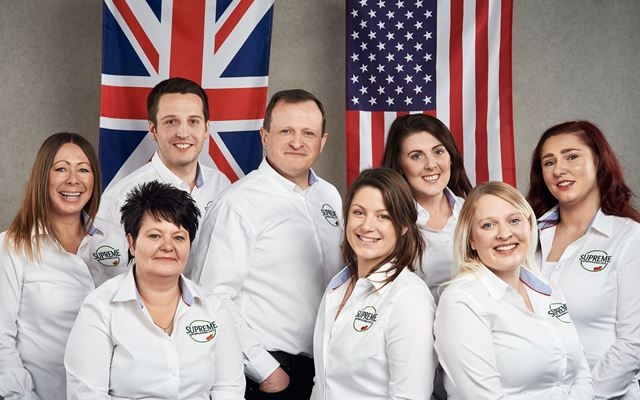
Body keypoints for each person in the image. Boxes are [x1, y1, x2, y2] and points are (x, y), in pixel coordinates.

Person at [187, 89, 343, 399]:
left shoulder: (330, 196)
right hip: (273, 374)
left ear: (322, 141)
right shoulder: (237, 204)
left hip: (328, 370)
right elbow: (211, 296)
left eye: (308, 133)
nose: (297, 142)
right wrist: (264, 368)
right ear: (265, 136)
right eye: (286, 131)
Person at [64, 181, 245, 399]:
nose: (168, 246)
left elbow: (229, 388)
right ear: (131, 243)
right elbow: (87, 395)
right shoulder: (100, 307)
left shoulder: (214, 307)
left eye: (179, 237)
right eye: (155, 236)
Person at [434, 181, 592, 399]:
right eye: (488, 225)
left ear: (529, 226)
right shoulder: (461, 302)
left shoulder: (548, 289)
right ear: (471, 239)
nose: (504, 233)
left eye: (514, 220)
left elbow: (582, 375)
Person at [0, 133, 128, 400]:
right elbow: (1, 340)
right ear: (42, 177)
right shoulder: (10, 247)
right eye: (60, 169)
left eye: (83, 169)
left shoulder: (118, 238)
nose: (73, 180)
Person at [527, 120, 640, 400]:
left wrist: (584, 396)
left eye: (571, 156)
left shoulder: (630, 238)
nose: (559, 169)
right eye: (549, 162)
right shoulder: (526, 236)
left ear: (599, 162)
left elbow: (634, 343)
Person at [310, 167, 437, 400]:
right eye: (359, 212)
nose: (367, 226)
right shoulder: (336, 288)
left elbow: (410, 396)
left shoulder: (409, 298)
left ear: (403, 226)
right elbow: (323, 382)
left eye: (383, 216)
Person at [98, 77, 230, 225]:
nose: (183, 133)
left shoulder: (221, 184)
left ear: (206, 129)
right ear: (153, 130)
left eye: (193, 121)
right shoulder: (119, 200)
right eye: (171, 122)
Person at [381, 114, 472, 301]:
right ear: (400, 165)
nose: (431, 165)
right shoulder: (387, 222)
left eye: (438, 151)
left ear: (451, 156)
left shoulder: (474, 212)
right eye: (416, 156)